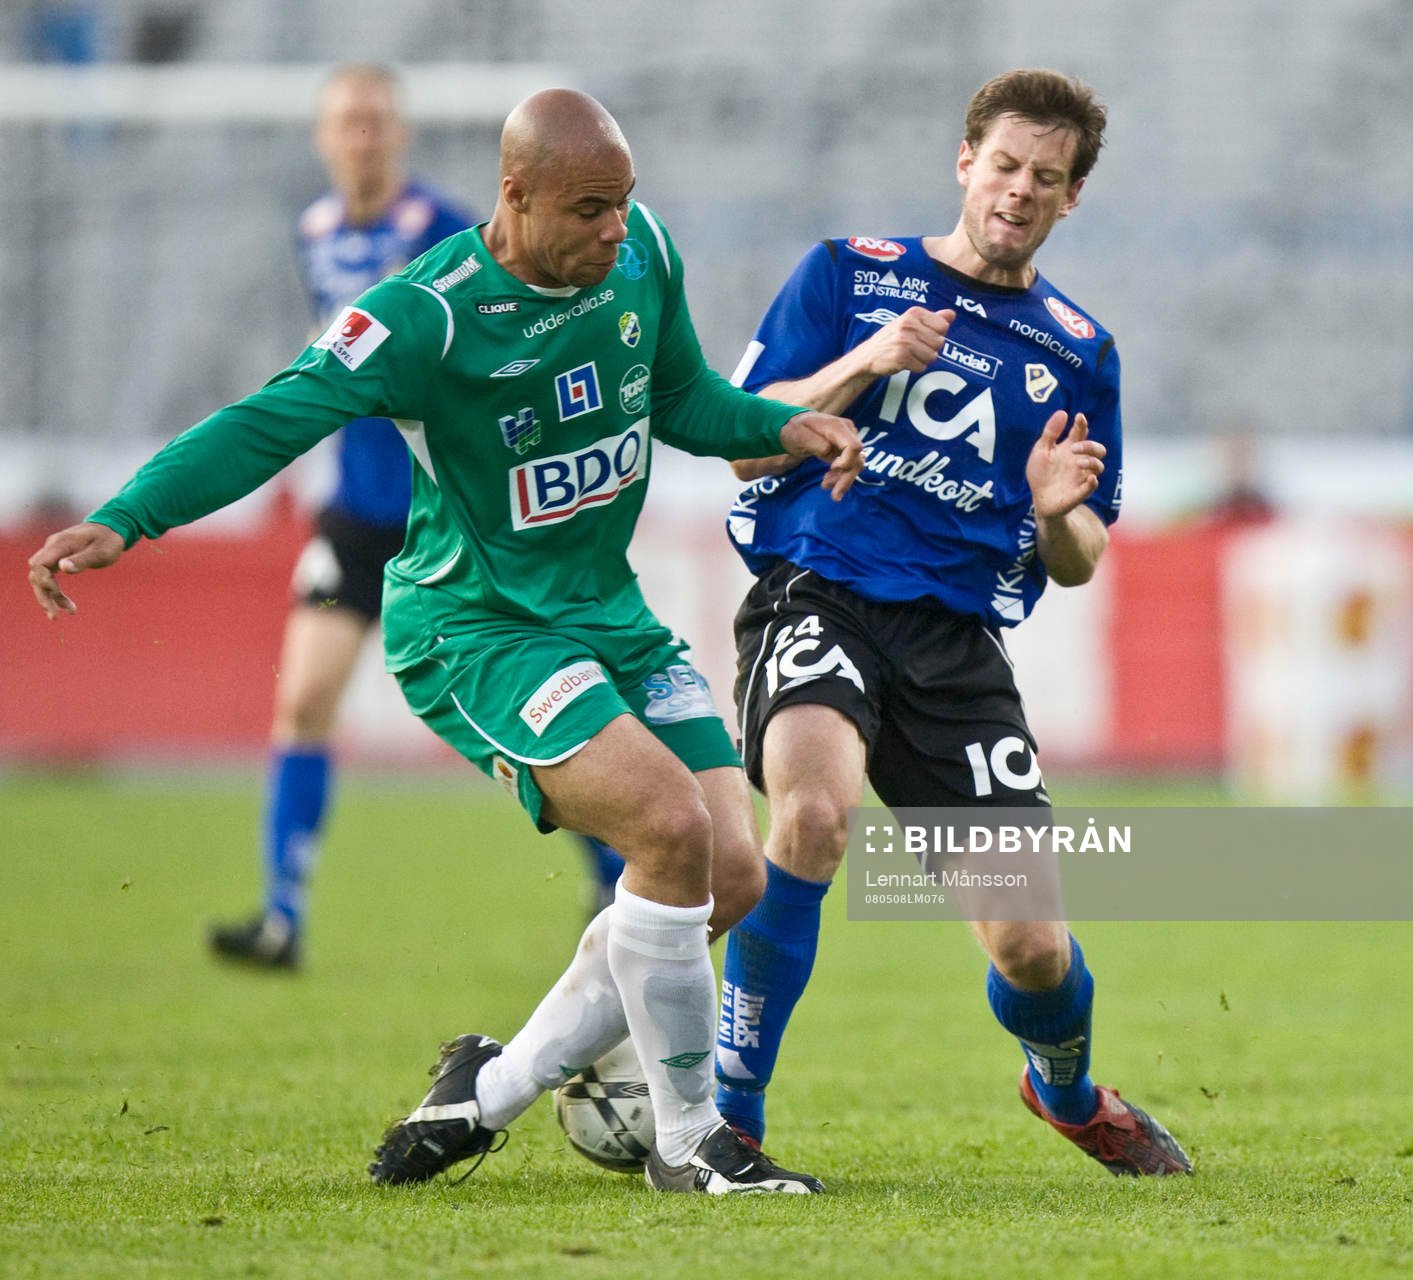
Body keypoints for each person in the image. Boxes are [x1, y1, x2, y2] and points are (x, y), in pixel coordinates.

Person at [29, 89, 862, 1195]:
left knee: (734, 875)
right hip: (477, 628)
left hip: (604, 610)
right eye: (589, 209)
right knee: (666, 829)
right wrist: (128, 514)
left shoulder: (640, 251)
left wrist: (778, 425)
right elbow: (272, 415)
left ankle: (490, 1086)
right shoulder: (425, 316)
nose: (616, 230)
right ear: (514, 196)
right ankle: (691, 1141)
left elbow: (685, 398)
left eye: (624, 204)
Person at [713, 68, 1193, 1177]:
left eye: (1049, 178)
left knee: (1031, 946)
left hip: (954, 643)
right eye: (1007, 165)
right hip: (817, 591)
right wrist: (867, 361)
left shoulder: (1080, 351)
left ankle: (1064, 1091)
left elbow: (1078, 562)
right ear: (966, 160)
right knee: (813, 816)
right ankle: (730, 1114)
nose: (1021, 190)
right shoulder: (847, 275)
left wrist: (1052, 509)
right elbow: (742, 442)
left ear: (1072, 200)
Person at [204, 64, 624, 970]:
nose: (362, 137)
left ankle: (612, 865)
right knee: (303, 701)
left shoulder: (439, 231)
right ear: (323, 135)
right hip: (356, 515)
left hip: (453, 517)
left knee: (522, 731)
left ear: (400, 135)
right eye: (347, 121)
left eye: (377, 122)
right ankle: (283, 918)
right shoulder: (313, 232)